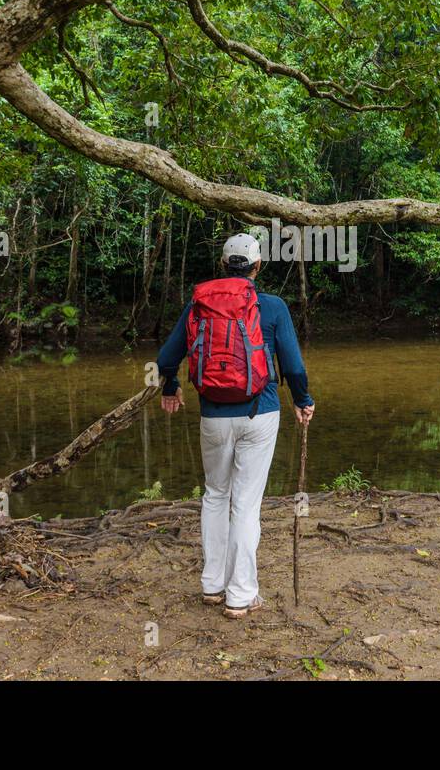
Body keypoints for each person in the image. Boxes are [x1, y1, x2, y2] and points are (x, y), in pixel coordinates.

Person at [157, 233, 315, 619]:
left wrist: (172, 386)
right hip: (260, 413)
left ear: (223, 263)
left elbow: (166, 356)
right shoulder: (273, 307)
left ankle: (213, 585)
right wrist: (302, 400)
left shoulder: (199, 303)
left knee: (215, 495)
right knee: (245, 504)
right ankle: (241, 595)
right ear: (258, 267)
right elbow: (293, 366)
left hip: (213, 415)